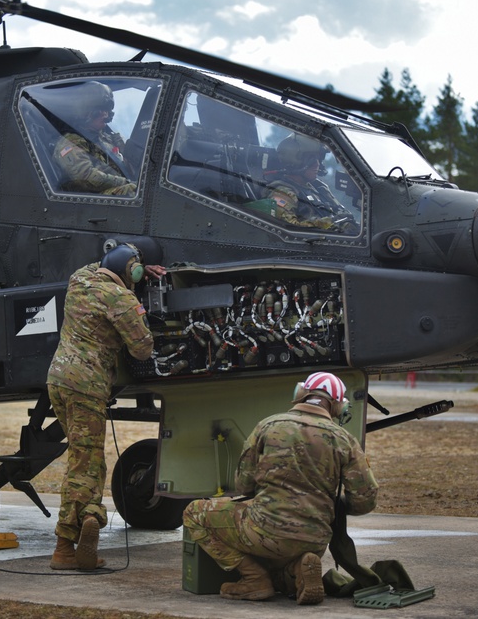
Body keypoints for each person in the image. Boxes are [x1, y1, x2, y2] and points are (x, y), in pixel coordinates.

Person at [183, 371, 378, 605]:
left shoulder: (268, 426)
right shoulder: (345, 440)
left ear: (301, 394)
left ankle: (254, 578)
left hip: (265, 531)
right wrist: (334, 506)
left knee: (194, 513)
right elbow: (365, 499)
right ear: (338, 405)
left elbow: (243, 485)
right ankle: (299, 567)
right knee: (281, 578)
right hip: (315, 541)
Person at [47, 244, 166, 570]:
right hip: (87, 386)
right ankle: (69, 542)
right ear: (133, 273)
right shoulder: (121, 299)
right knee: (88, 465)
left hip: (58, 380)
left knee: (80, 458)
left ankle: (79, 525)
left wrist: (130, 270)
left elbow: (98, 265)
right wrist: (138, 297)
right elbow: (143, 349)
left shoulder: (79, 280)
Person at [53, 81, 136, 196]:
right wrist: (125, 182)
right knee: (134, 191)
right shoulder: (70, 143)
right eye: (100, 110)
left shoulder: (109, 138)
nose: (105, 114)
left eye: (106, 109)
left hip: (115, 190)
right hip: (91, 199)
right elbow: (85, 177)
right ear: (85, 111)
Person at [264, 134, 355, 231]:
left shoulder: (319, 187)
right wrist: (323, 224)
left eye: (318, 159)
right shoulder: (283, 192)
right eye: (311, 160)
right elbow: (287, 228)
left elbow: (340, 213)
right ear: (295, 162)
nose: (317, 164)